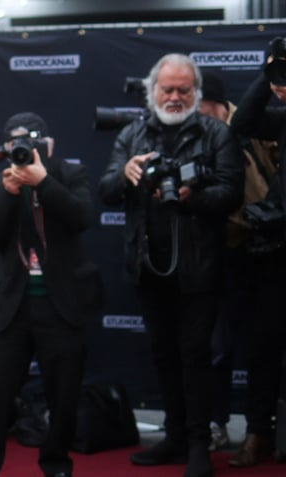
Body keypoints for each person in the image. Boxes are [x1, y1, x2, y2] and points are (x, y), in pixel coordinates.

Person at [98, 53, 243, 477]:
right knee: (162, 355)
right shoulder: (132, 134)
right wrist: (125, 174)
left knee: (195, 356)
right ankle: (176, 436)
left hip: (200, 268)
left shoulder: (216, 133)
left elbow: (232, 194)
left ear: (196, 94)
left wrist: (191, 195)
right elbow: (106, 191)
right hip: (148, 266)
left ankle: (199, 443)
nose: (175, 97)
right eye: (168, 89)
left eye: (183, 90)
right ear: (152, 92)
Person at [0, 112, 104, 477]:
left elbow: (82, 217)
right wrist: (12, 194)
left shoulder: (70, 174)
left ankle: (57, 464)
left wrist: (43, 183)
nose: (25, 153)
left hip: (62, 303)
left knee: (64, 393)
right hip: (13, 304)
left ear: (50, 145)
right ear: (7, 149)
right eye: (17, 146)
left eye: (32, 144)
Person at [198, 71, 280, 453]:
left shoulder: (253, 123)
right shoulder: (192, 132)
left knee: (264, 346)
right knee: (217, 346)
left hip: (268, 248)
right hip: (222, 250)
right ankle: (214, 423)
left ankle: (258, 430)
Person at [225, 37, 286, 468]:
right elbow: (243, 122)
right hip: (276, 252)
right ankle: (258, 434)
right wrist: (271, 70)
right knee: (263, 346)